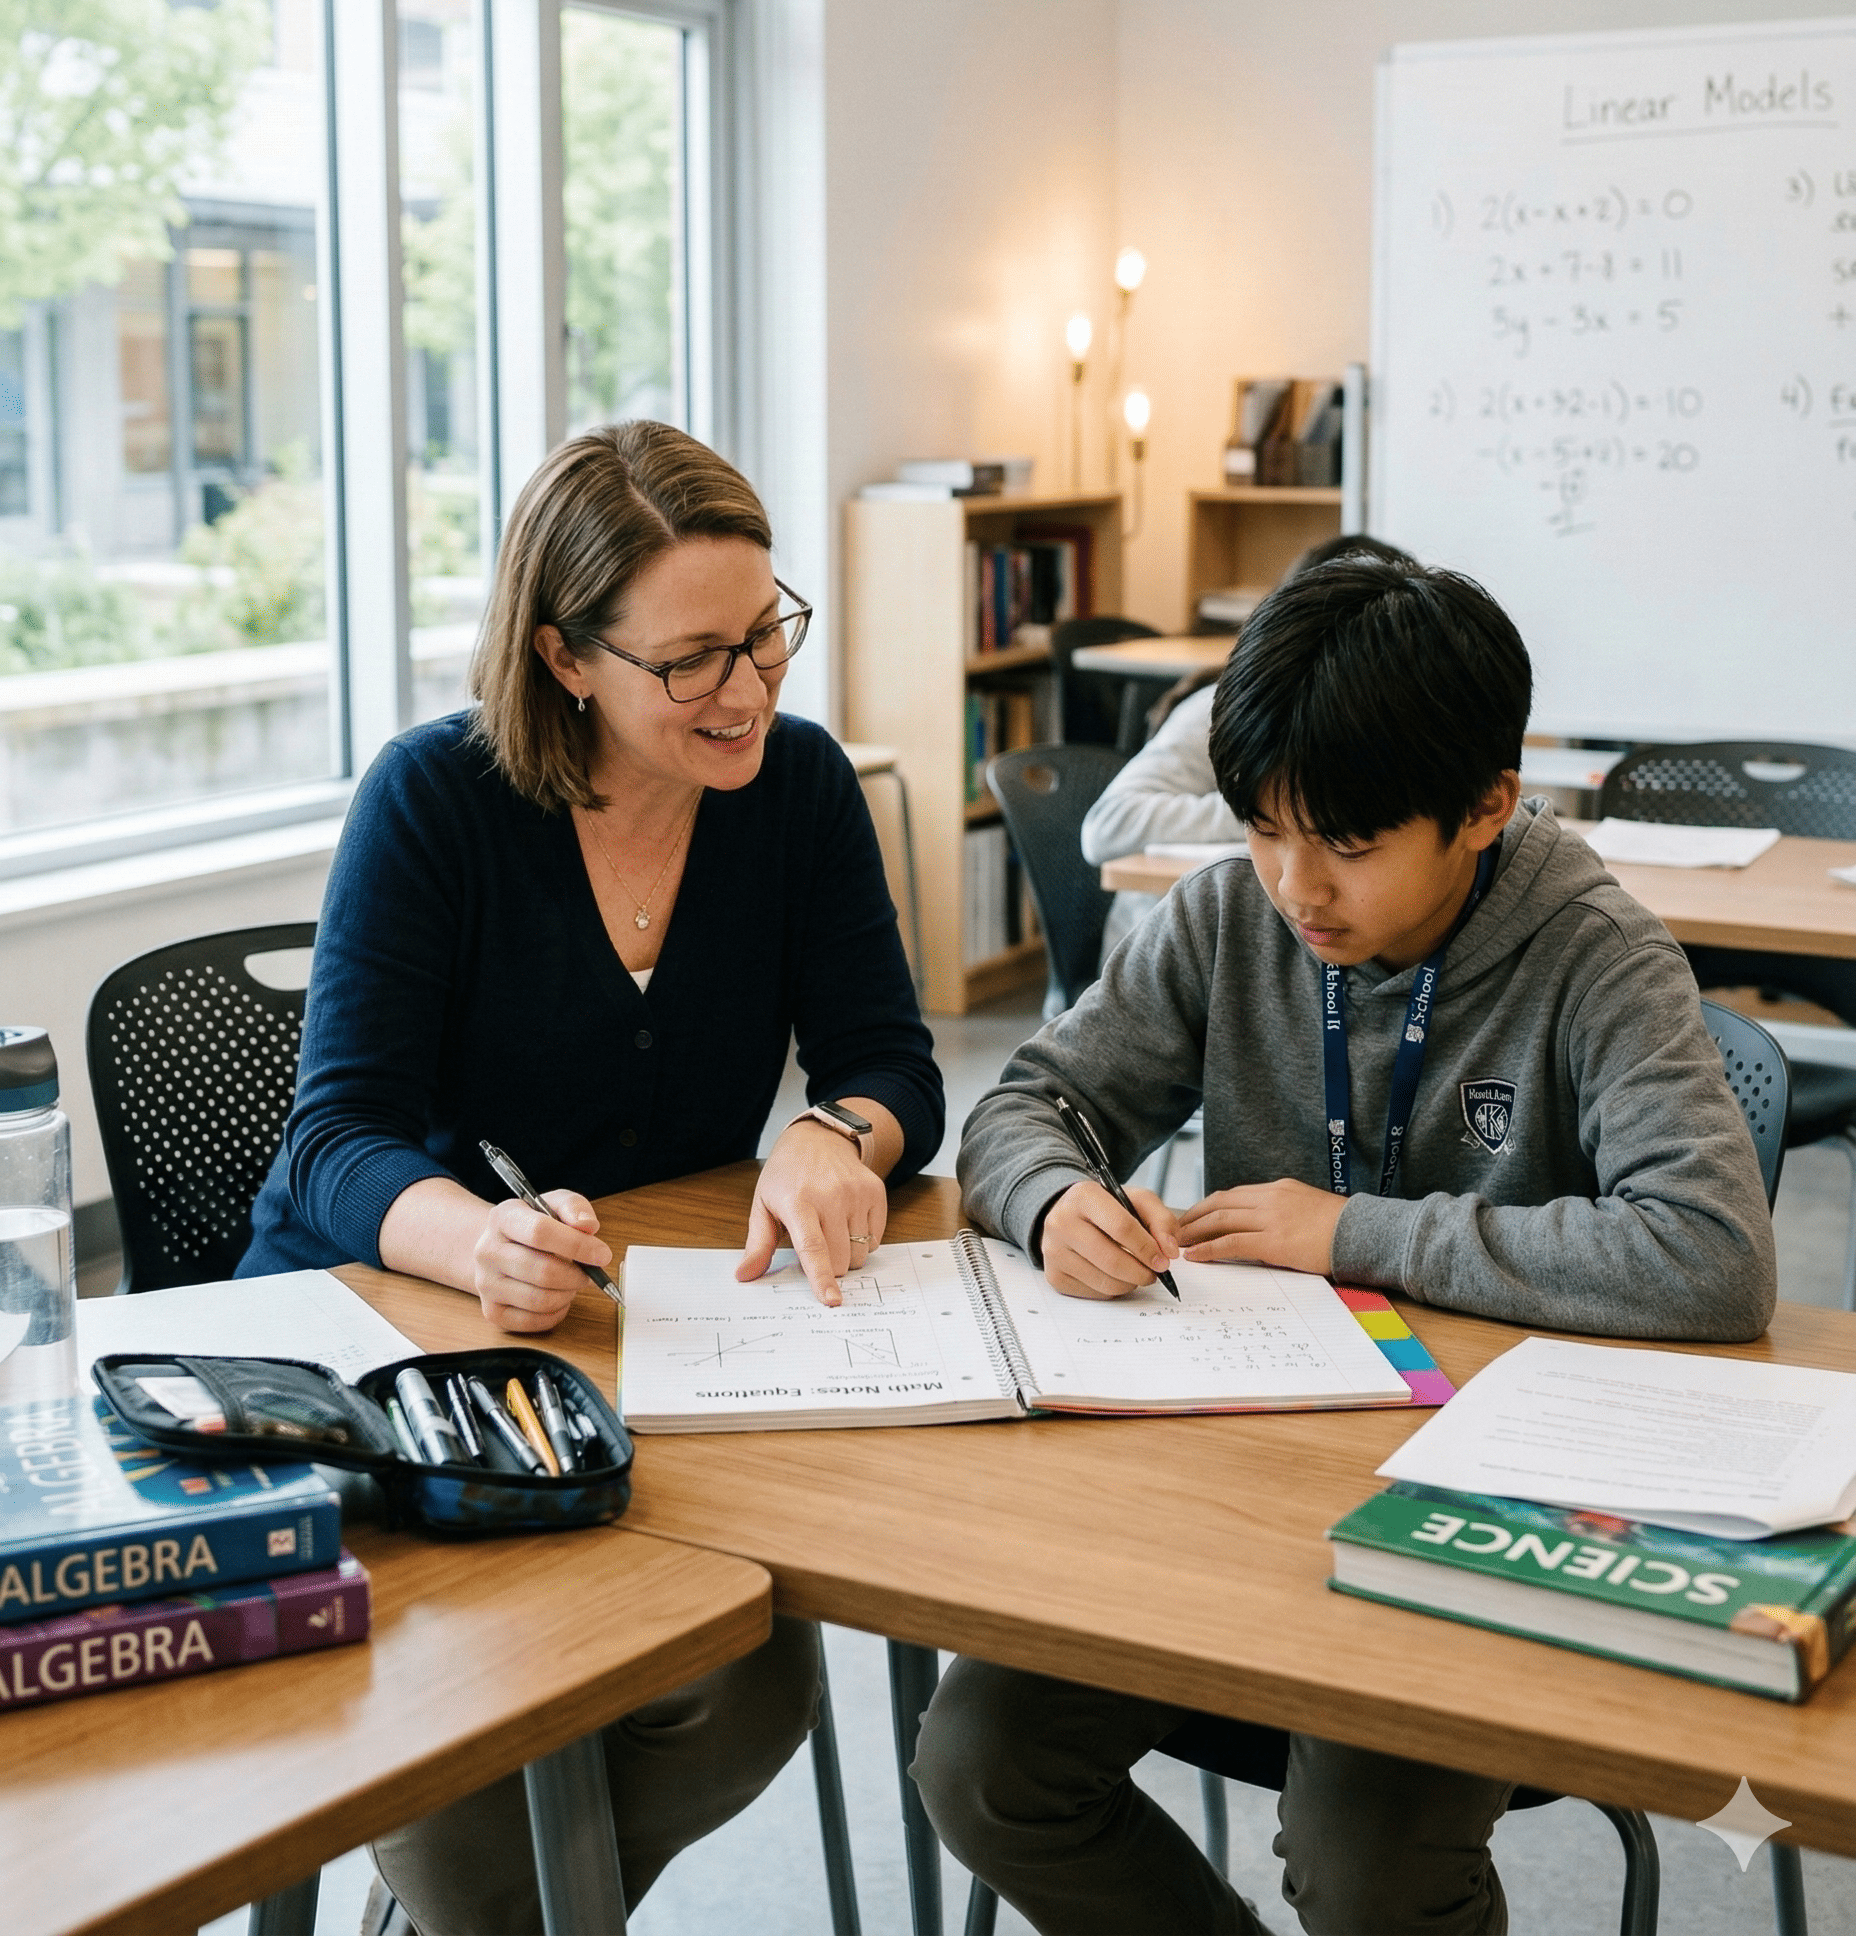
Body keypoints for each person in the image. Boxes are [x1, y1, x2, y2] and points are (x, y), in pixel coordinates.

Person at [913, 555, 1774, 1936]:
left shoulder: (1594, 953)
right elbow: (1024, 1106)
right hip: (1239, 1470)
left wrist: (1354, 1234)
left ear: (1485, 807)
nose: (1294, 886)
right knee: (979, 1765)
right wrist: (1055, 1198)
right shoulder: (1228, 912)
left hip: (1485, 1507)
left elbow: (1709, 1255)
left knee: (1365, 1864)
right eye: (1261, 828)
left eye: (1350, 846)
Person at [239, 420, 944, 1936]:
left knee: (747, 1688)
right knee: (464, 1774)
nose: (748, 688)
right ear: (566, 657)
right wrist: (479, 1237)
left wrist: (838, 1133)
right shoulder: (437, 800)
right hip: (401, 1337)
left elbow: (896, 1067)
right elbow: (333, 1139)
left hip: (647, 1359)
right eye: (691, 659)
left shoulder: (800, 791)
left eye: (765, 634)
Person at [1084, 535, 1411, 959]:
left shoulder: (1382, 718)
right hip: (1169, 945)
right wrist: (1268, 813)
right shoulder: (1228, 710)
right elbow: (1107, 825)